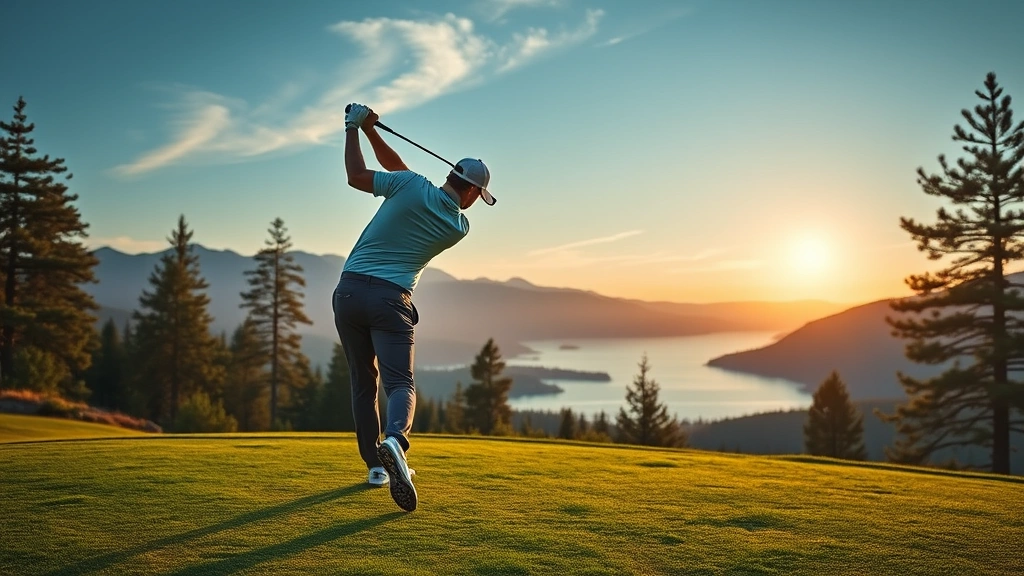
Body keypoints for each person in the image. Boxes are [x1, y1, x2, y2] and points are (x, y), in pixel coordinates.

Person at [334, 103, 495, 512]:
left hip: (349, 292)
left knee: (361, 382)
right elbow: (403, 174)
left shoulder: (410, 186)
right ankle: (395, 442)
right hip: (391, 301)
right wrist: (371, 132)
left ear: (449, 176)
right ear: (473, 192)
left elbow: (359, 176)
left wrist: (355, 129)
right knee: (399, 383)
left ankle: (376, 466)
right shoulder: (458, 226)